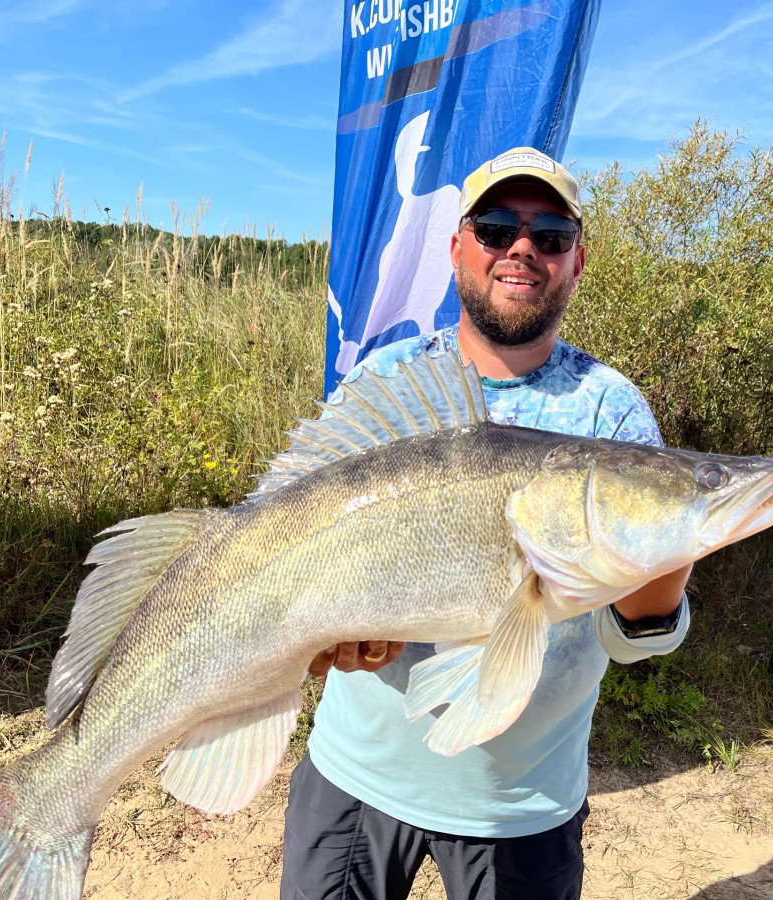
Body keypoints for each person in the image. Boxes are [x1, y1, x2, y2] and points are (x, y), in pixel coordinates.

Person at [281, 147, 693, 900]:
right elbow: (293, 547)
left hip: (520, 806)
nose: (523, 249)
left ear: (576, 260)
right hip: (357, 774)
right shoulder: (385, 381)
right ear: (457, 247)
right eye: (498, 227)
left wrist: (674, 539)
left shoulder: (613, 411)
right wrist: (323, 635)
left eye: (551, 234)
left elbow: (636, 633)